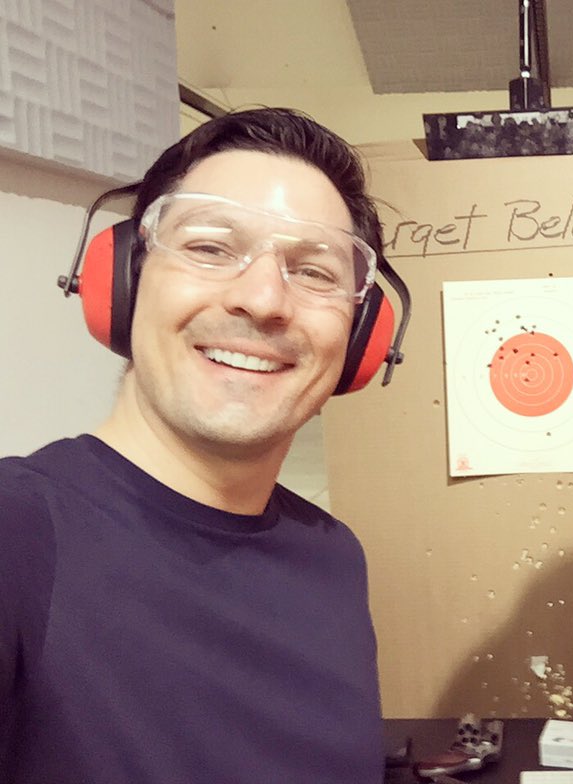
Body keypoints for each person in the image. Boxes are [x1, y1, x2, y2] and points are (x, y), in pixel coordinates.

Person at [0, 108, 408, 782]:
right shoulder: (16, 532)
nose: (263, 299)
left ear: (363, 338)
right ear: (123, 282)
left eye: (314, 271)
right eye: (211, 248)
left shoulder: (334, 555)